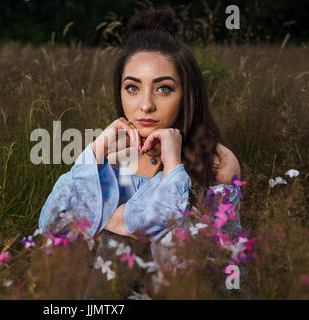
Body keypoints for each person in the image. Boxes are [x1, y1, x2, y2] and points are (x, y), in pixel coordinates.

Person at [38, 6, 248, 299]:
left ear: (186, 94)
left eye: (163, 89)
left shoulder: (217, 163)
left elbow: (225, 264)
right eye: (132, 88)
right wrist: (93, 153)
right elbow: (52, 227)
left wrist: (173, 166)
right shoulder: (113, 156)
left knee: (124, 220)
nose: (145, 105)